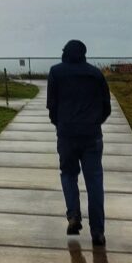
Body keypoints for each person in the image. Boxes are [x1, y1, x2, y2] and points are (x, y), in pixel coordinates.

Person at [47, 40, 112, 247]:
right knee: (94, 182)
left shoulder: (56, 73)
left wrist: (62, 124)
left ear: (65, 53)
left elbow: (52, 106)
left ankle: (73, 215)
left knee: (68, 175)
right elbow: (106, 107)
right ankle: (98, 231)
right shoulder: (96, 74)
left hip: (66, 134)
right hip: (92, 134)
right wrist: (94, 122)